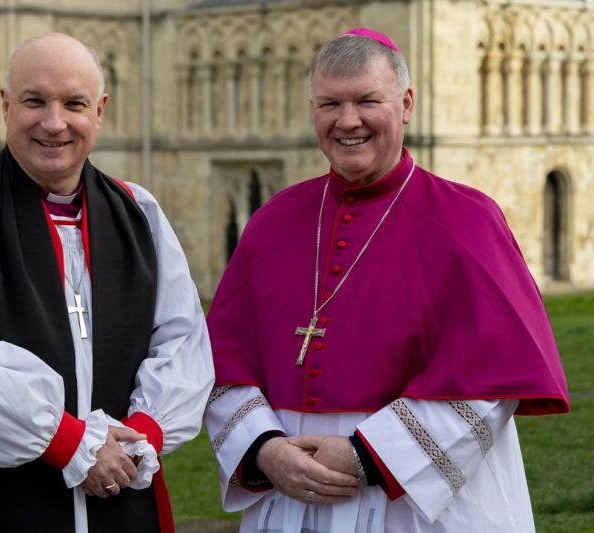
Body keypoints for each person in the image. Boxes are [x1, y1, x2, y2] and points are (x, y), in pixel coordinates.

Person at [204, 28, 569, 533]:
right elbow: (222, 368)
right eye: (329, 104)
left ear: (405, 105)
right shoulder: (273, 222)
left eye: (367, 101)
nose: (347, 121)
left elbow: (490, 384)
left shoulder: (469, 221)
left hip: (421, 508)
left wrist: (367, 455)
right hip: (290, 499)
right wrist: (263, 449)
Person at [0, 33, 213, 533]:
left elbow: (183, 340)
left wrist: (142, 436)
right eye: (34, 101)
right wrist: (68, 443)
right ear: (5, 105)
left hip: (123, 491)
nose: (54, 122)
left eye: (74, 104)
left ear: (100, 111)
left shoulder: (140, 213)